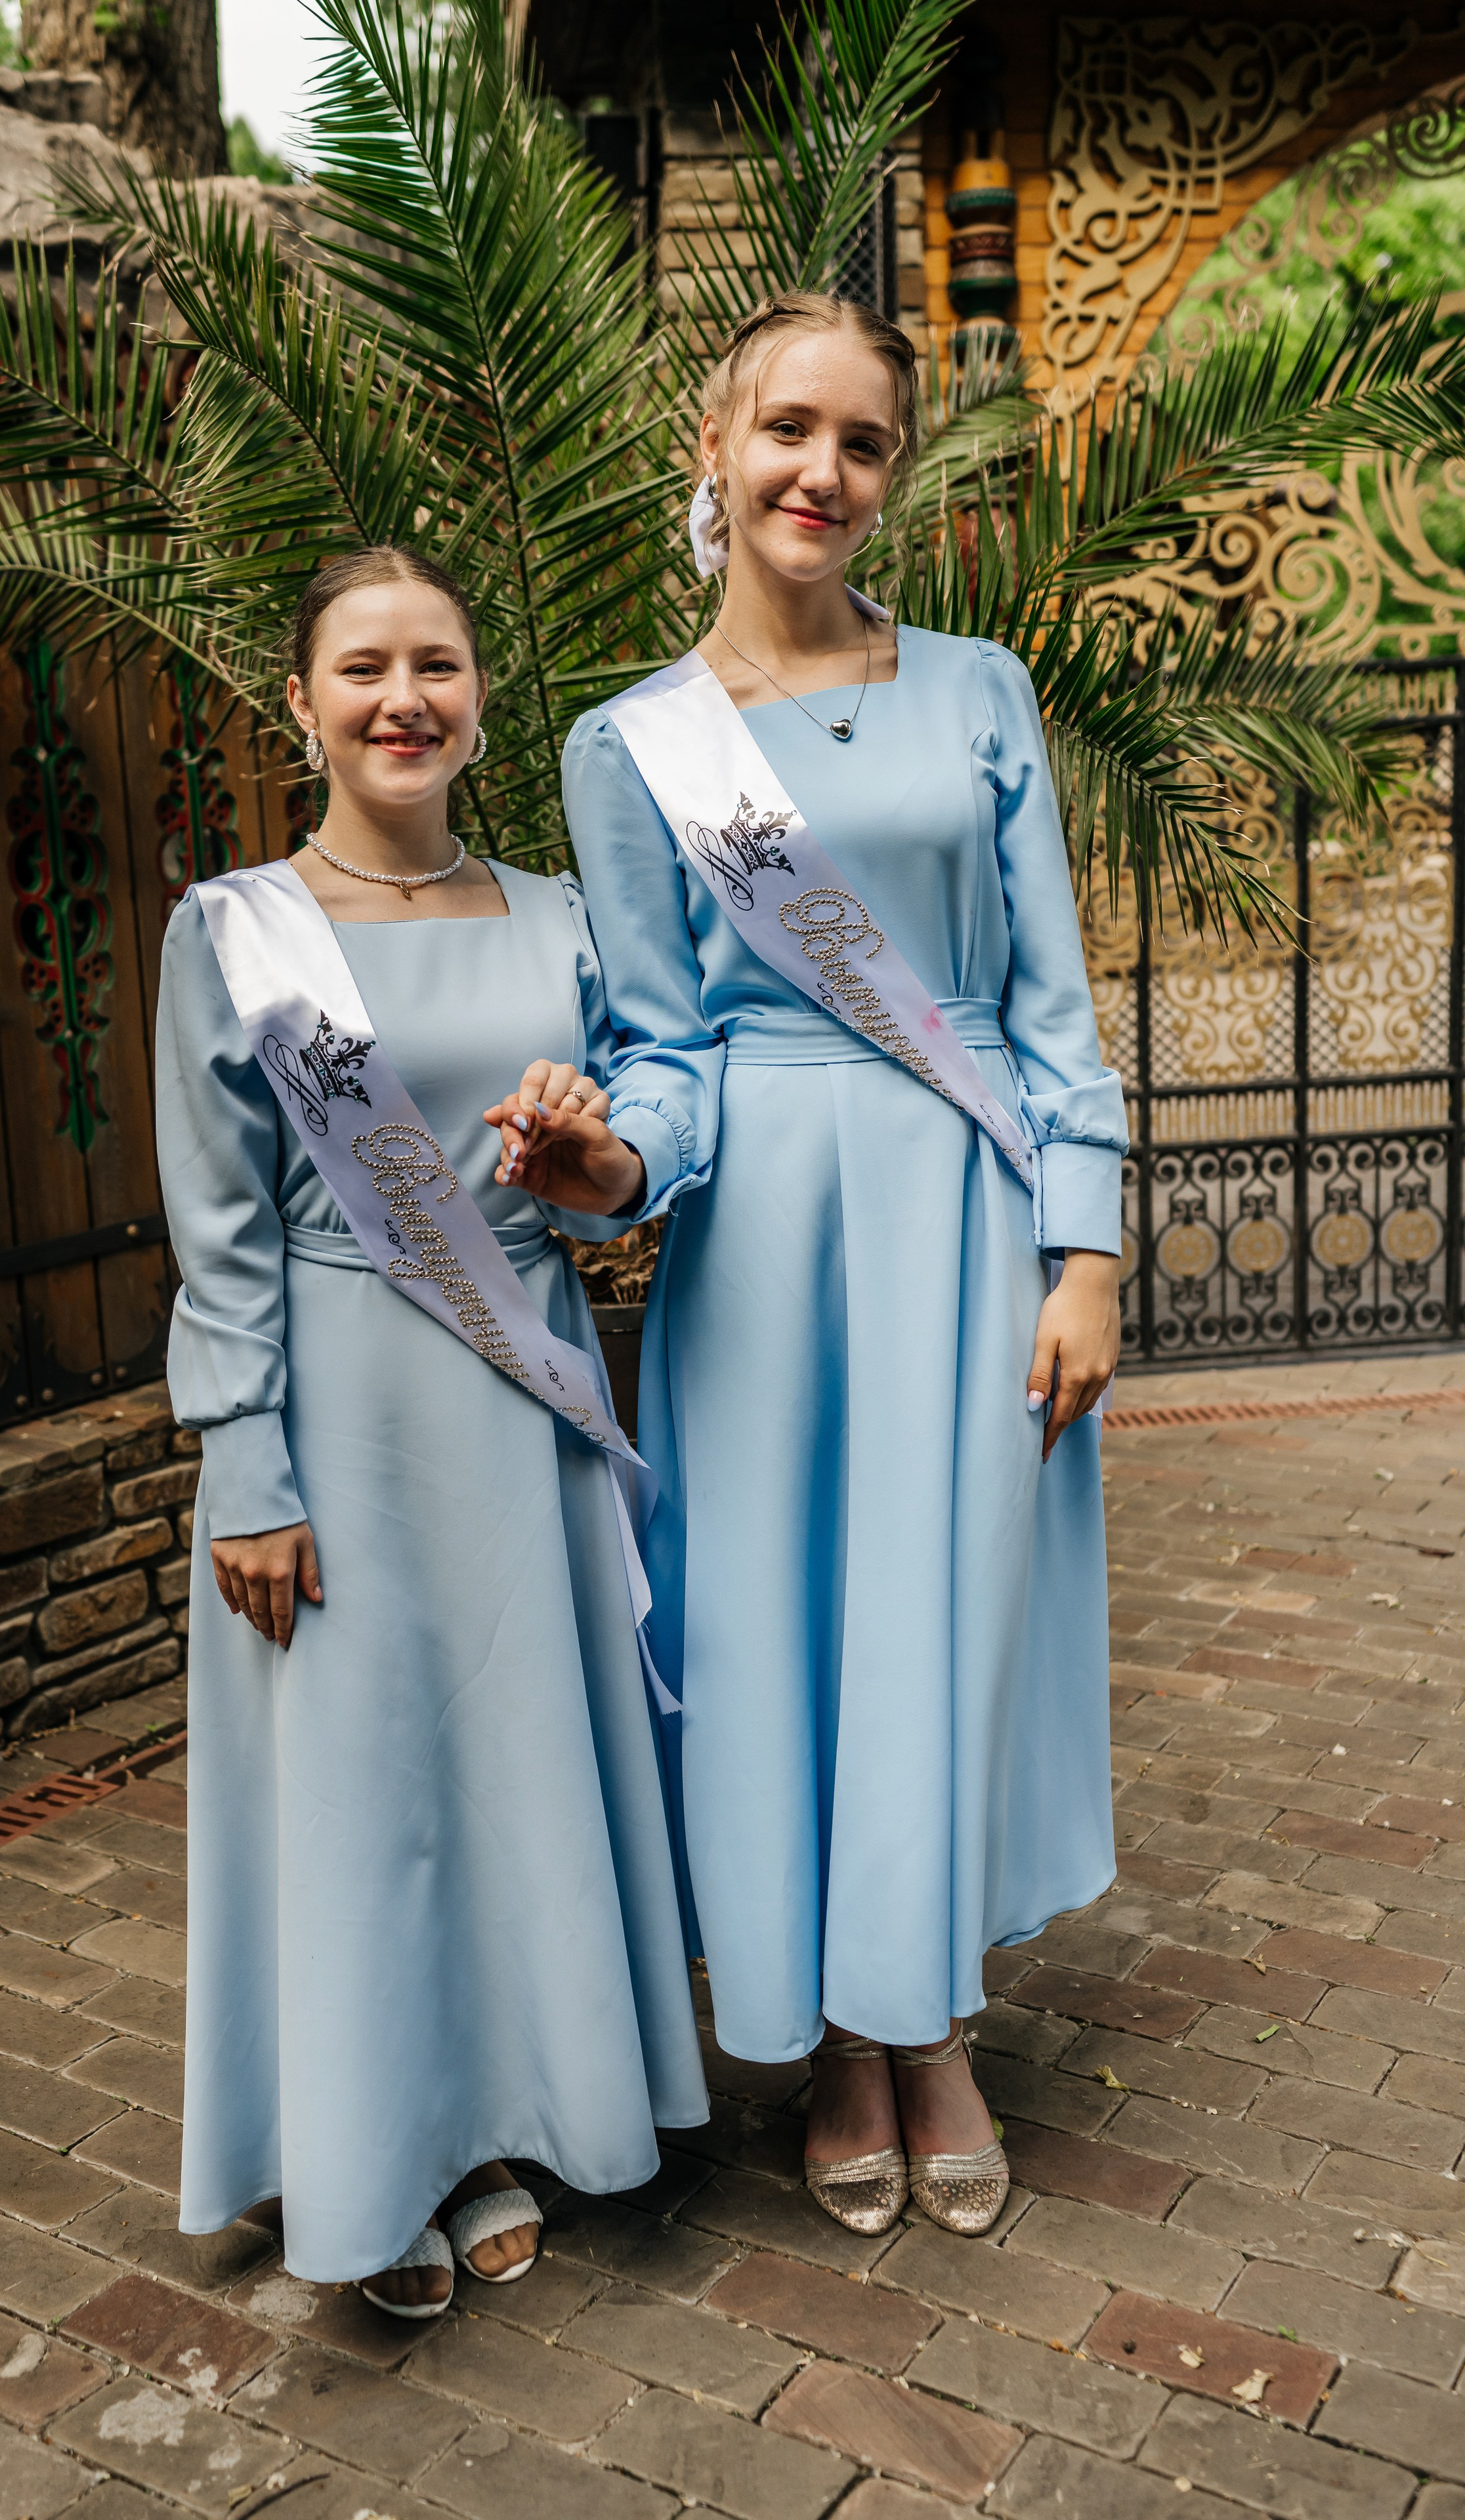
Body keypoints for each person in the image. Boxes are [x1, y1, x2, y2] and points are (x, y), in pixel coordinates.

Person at [502, 293, 1124, 2240]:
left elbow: (1049, 1001)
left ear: (893, 473)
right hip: (765, 1236)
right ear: (715, 443)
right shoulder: (635, 748)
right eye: (788, 429)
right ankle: (839, 2049)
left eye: (862, 442)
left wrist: (1088, 1246)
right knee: (782, 1629)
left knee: (946, 1614)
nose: (821, 472)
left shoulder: (980, 692)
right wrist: (611, 1164)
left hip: (965, 1217)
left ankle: (933, 2026)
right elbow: (664, 1052)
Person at [158, 546, 706, 2317]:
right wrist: (247, 1468)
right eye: (365, 668)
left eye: (439, 665)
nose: (405, 699)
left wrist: (588, 1145)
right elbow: (220, 1234)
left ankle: (500, 2123)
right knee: (365, 1787)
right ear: (302, 701)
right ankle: (370, 2157)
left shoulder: (559, 918)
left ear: (478, 698)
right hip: (337, 1409)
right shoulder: (235, 931)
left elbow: (635, 1137)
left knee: (510, 1766)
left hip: (521, 1393)